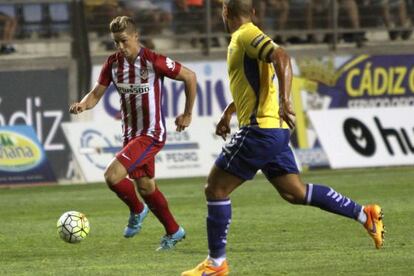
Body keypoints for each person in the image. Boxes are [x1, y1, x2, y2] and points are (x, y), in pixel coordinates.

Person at [181, 0, 384, 275]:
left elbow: (282, 56)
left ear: (225, 12)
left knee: (215, 189)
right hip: (274, 131)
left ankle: (216, 264)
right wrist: (229, 112)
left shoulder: (245, 34)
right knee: (295, 192)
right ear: (252, 11)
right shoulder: (245, 39)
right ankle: (365, 214)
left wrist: (286, 101)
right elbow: (256, 85)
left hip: (260, 131)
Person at [69, 16, 197, 251]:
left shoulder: (153, 61)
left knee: (112, 176)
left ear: (136, 37)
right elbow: (96, 93)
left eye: (124, 41)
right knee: (146, 187)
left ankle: (138, 210)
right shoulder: (113, 63)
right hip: (131, 134)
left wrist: (187, 113)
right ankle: (174, 231)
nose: (120, 47)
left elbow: (189, 76)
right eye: (115, 42)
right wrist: (83, 105)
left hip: (151, 133)